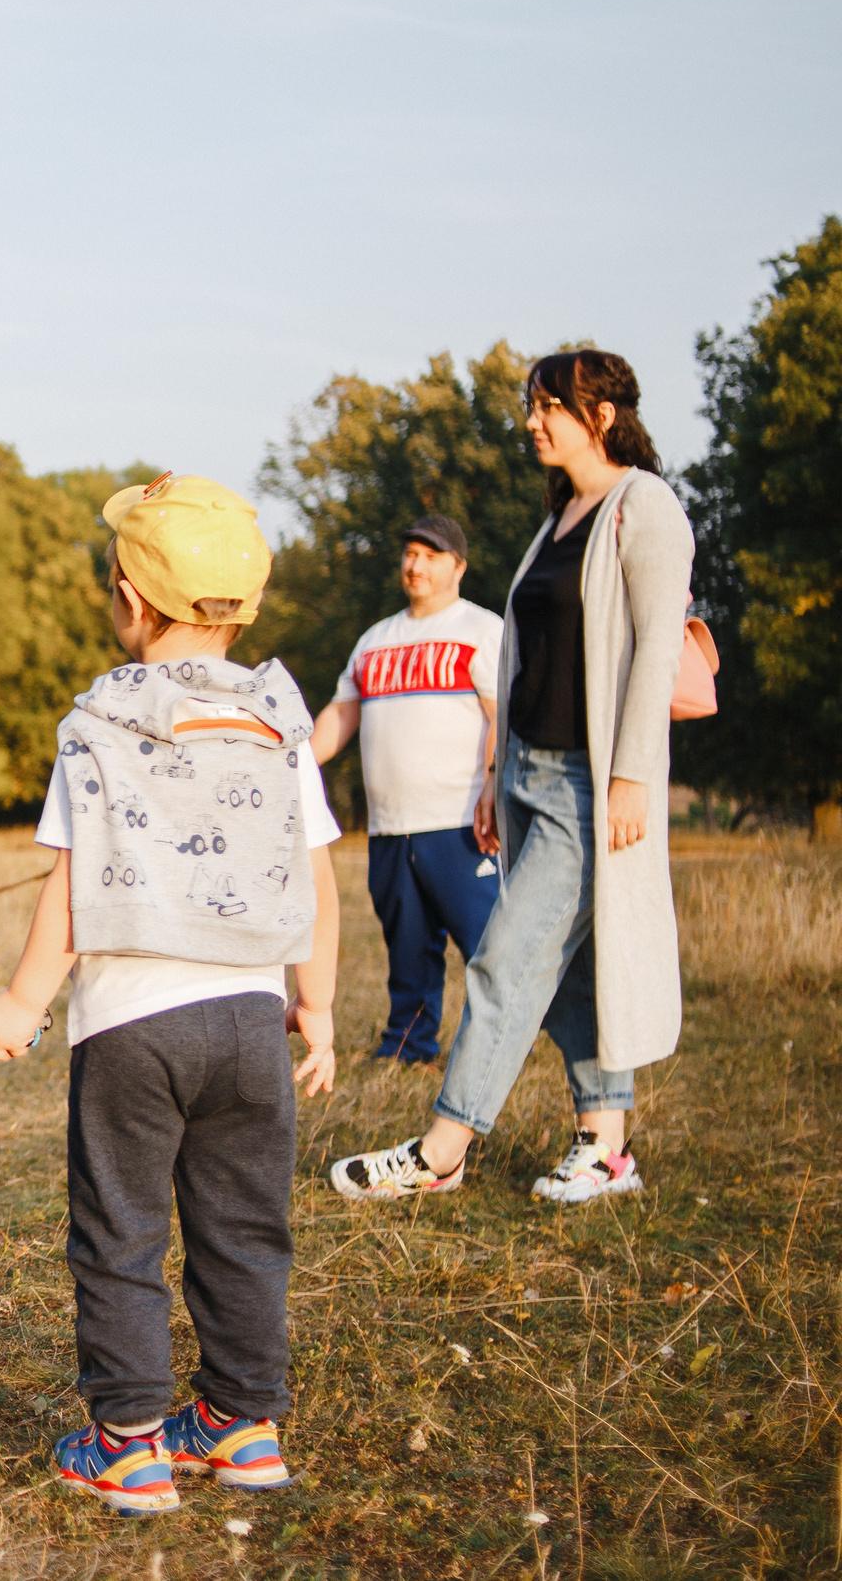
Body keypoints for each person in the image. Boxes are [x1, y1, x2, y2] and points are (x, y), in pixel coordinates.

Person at [0, 473, 339, 1519]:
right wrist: (319, 1003)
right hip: (255, 1018)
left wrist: (19, 1002)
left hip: (134, 1022)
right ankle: (242, 1427)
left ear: (128, 596)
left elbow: (69, 889)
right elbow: (316, 876)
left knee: (122, 1230)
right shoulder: (277, 718)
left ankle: (128, 1446)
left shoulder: (99, 721)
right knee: (243, 1226)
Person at [331, 349, 692, 1205]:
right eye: (531, 406)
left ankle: (442, 1148)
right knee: (571, 967)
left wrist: (634, 774)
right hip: (530, 769)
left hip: (589, 780)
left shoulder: (645, 507)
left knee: (504, 958)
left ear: (601, 414)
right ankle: (607, 1146)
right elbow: (525, 660)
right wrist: (497, 773)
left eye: (549, 407)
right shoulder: (562, 515)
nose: (533, 421)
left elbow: (658, 649)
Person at [308, 515, 504, 1065]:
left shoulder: (481, 630)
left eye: (431, 556)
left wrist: (493, 786)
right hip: (392, 825)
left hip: (462, 821)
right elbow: (341, 717)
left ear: (458, 567)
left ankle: (501, 1042)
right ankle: (407, 1044)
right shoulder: (376, 640)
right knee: (407, 945)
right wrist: (289, 760)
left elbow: (501, 719)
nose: (415, 565)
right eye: (411, 554)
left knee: (490, 945)